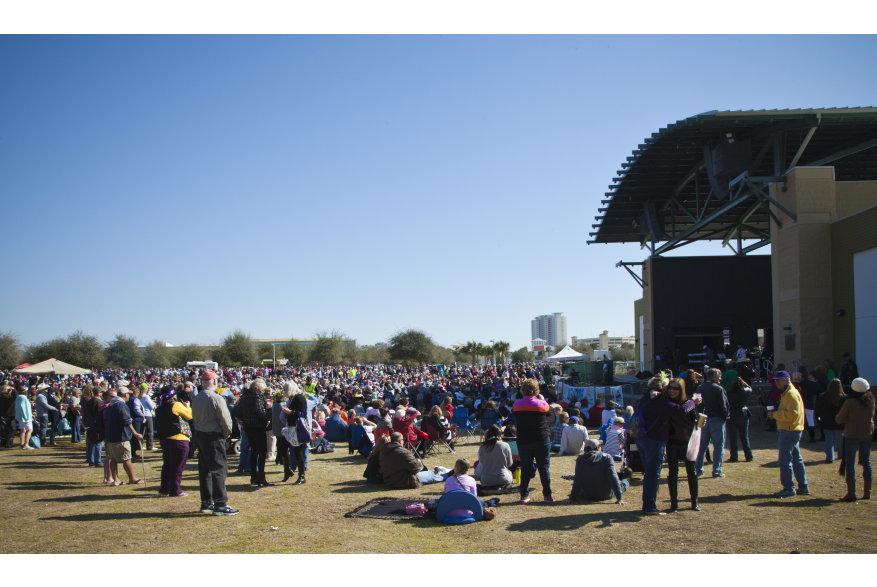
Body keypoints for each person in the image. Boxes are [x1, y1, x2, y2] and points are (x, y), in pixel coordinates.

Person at [632, 375, 700, 515]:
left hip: (641, 438)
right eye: (668, 387)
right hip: (654, 440)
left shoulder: (646, 396)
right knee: (652, 474)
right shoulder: (659, 400)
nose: (670, 390)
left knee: (649, 473)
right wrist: (693, 401)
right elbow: (680, 410)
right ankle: (650, 507)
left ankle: (648, 504)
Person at [191, 370, 237, 516]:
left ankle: (206, 502)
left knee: (204, 470)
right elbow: (225, 420)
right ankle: (220, 504)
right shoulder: (216, 398)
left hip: (200, 435)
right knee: (218, 469)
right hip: (213, 436)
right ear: (215, 382)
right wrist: (225, 435)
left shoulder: (197, 397)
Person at [512, 378, 554, 504]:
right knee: (543, 468)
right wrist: (541, 399)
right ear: (536, 390)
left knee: (525, 467)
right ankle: (547, 495)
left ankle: (524, 495)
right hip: (541, 438)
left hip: (524, 440)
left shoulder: (517, 405)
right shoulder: (542, 404)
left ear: (522, 390)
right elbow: (550, 413)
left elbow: (514, 414)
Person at [771, 371, 809, 499]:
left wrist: (775, 415)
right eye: (775, 380)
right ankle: (803, 487)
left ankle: (788, 488)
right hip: (791, 429)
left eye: (779, 380)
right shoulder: (789, 393)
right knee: (796, 459)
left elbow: (792, 415)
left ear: (787, 379)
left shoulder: (791, 394)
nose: (776, 382)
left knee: (785, 461)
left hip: (789, 430)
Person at [664, 378, 699, 512]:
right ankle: (674, 503)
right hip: (672, 441)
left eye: (675, 388)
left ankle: (694, 501)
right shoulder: (667, 402)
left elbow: (694, 419)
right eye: (670, 388)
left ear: (681, 390)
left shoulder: (688, 403)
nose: (672, 390)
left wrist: (700, 421)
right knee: (673, 472)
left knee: (692, 471)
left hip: (687, 441)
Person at [836, 378, 874, 502]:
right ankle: (867, 492)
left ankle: (851, 492)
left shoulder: (850, 402)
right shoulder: (871, 401)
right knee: (867, 462)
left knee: (850, 464)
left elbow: (839, 419)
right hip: (867, 434)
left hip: (851, 434)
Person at [564, 439, 632, 506]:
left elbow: (577, 479)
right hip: (606, 494)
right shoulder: (607, 458)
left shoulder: (580, 459)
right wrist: (619, 498)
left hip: (587, 494)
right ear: (597, 447)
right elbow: (613, 478)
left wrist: (572, 498)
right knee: (623, 484)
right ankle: (626, 478)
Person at [154, 385, 193, 498]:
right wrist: (188, 407)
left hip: (165, 439)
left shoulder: (159, 407)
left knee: (167, 465)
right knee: (177, 466)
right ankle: (175, 490)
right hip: (178, 439)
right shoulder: (176, 405)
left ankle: (164, 489)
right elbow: (189, 416)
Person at [232, 378, 271, 487]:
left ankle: (253, 476)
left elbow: (236, 412)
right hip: (258, 427)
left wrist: (242, 421)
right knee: (262, 452)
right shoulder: (257, 398)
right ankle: (261, 477)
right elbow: (261, 413)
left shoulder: (243, 398)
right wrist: (268, 414)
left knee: (253, 451)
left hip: (248, 427)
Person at [104, 386, 144, 487]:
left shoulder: (110, 405)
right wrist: (135, 433)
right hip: (120, 436)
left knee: (113, 459)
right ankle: (132, 478)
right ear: (125, 395)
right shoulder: (121, 404)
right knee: (126, 459)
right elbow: (126, 421)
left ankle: (116, 479)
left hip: (110, 436)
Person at [695, 368, 729, 479]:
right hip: (716, 419)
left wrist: (698, 417)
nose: (720, 378)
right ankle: (716, 471)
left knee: (701, 446)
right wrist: (724, 417)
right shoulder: (719, 389)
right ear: (714, 376)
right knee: (718, 447)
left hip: (702, 418)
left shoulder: (699, 388)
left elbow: (696, 404)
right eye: (719, 376)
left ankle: (698, 470)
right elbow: (724, 406)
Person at [815, 379, 845, 462]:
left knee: (828, 438)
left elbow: (818, 408)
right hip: (840, 420)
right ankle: (841, 454)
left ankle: (830, 457)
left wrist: (821, 415)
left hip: (826, 420)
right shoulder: (844, 397)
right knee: (840, 438)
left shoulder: (822, 396)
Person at [726, 377, 753, 463]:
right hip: (743, 414)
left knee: (733, 437)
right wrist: (744, 382)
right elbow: (750, 388)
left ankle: (734, 456)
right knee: (744, 437)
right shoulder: (745, 392)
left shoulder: (728, 393)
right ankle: (748, 456)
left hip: (732, 414)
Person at [799, 371, 822, 444]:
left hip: (801, 403)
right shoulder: (818, 385)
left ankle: (798, 437)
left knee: (800, 421)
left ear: (811, 375)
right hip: (810, 403)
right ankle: (812, 438)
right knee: (811, 421)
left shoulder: (803, 382)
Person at [14, 385, 33, 449]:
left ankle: (21, 444)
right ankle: (26, 444)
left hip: (19, 416)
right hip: (25, 416)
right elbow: (25, 408)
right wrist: (28, 416)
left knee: (23, 429)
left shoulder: (17, 397)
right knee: (29, 430)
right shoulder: (24, 398)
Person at [139, 384, 157, 451]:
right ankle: (149, 446)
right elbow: (152, 406)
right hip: (148, 414)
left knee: (142, 431)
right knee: (150, 430)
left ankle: (140, 445)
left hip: (142, 415)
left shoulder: (139, 397)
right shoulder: (146, 397)